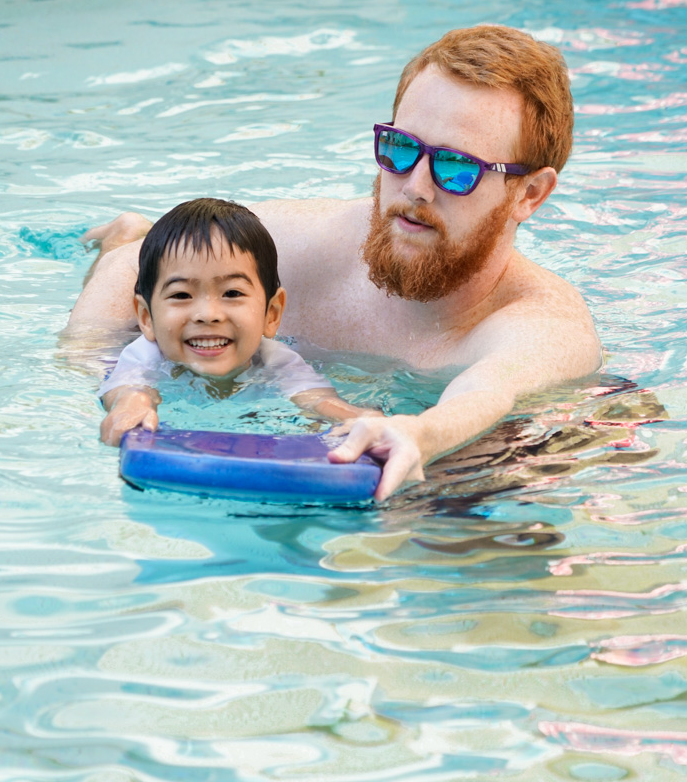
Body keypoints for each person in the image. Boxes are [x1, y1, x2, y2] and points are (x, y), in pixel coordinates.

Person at [67, 25, 602, 501]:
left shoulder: (544, 325)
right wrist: (98, 372)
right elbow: (130, 269)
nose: (415, 188)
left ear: (530, 194)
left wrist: (422, 432)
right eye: (400, 148)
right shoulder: (316, 246)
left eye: (456, 168)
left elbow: (491, 388)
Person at [97, 197, 375, 445]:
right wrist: (132, 404)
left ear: (272, 314)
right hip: (110, 347)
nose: (208, 314)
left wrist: (358, 416)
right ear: (146, 318)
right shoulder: (145, 354)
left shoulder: (274, 359)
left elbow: (317, 399)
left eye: (232, 293)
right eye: (181, 294)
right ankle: (119, 238)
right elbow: (128, 389)